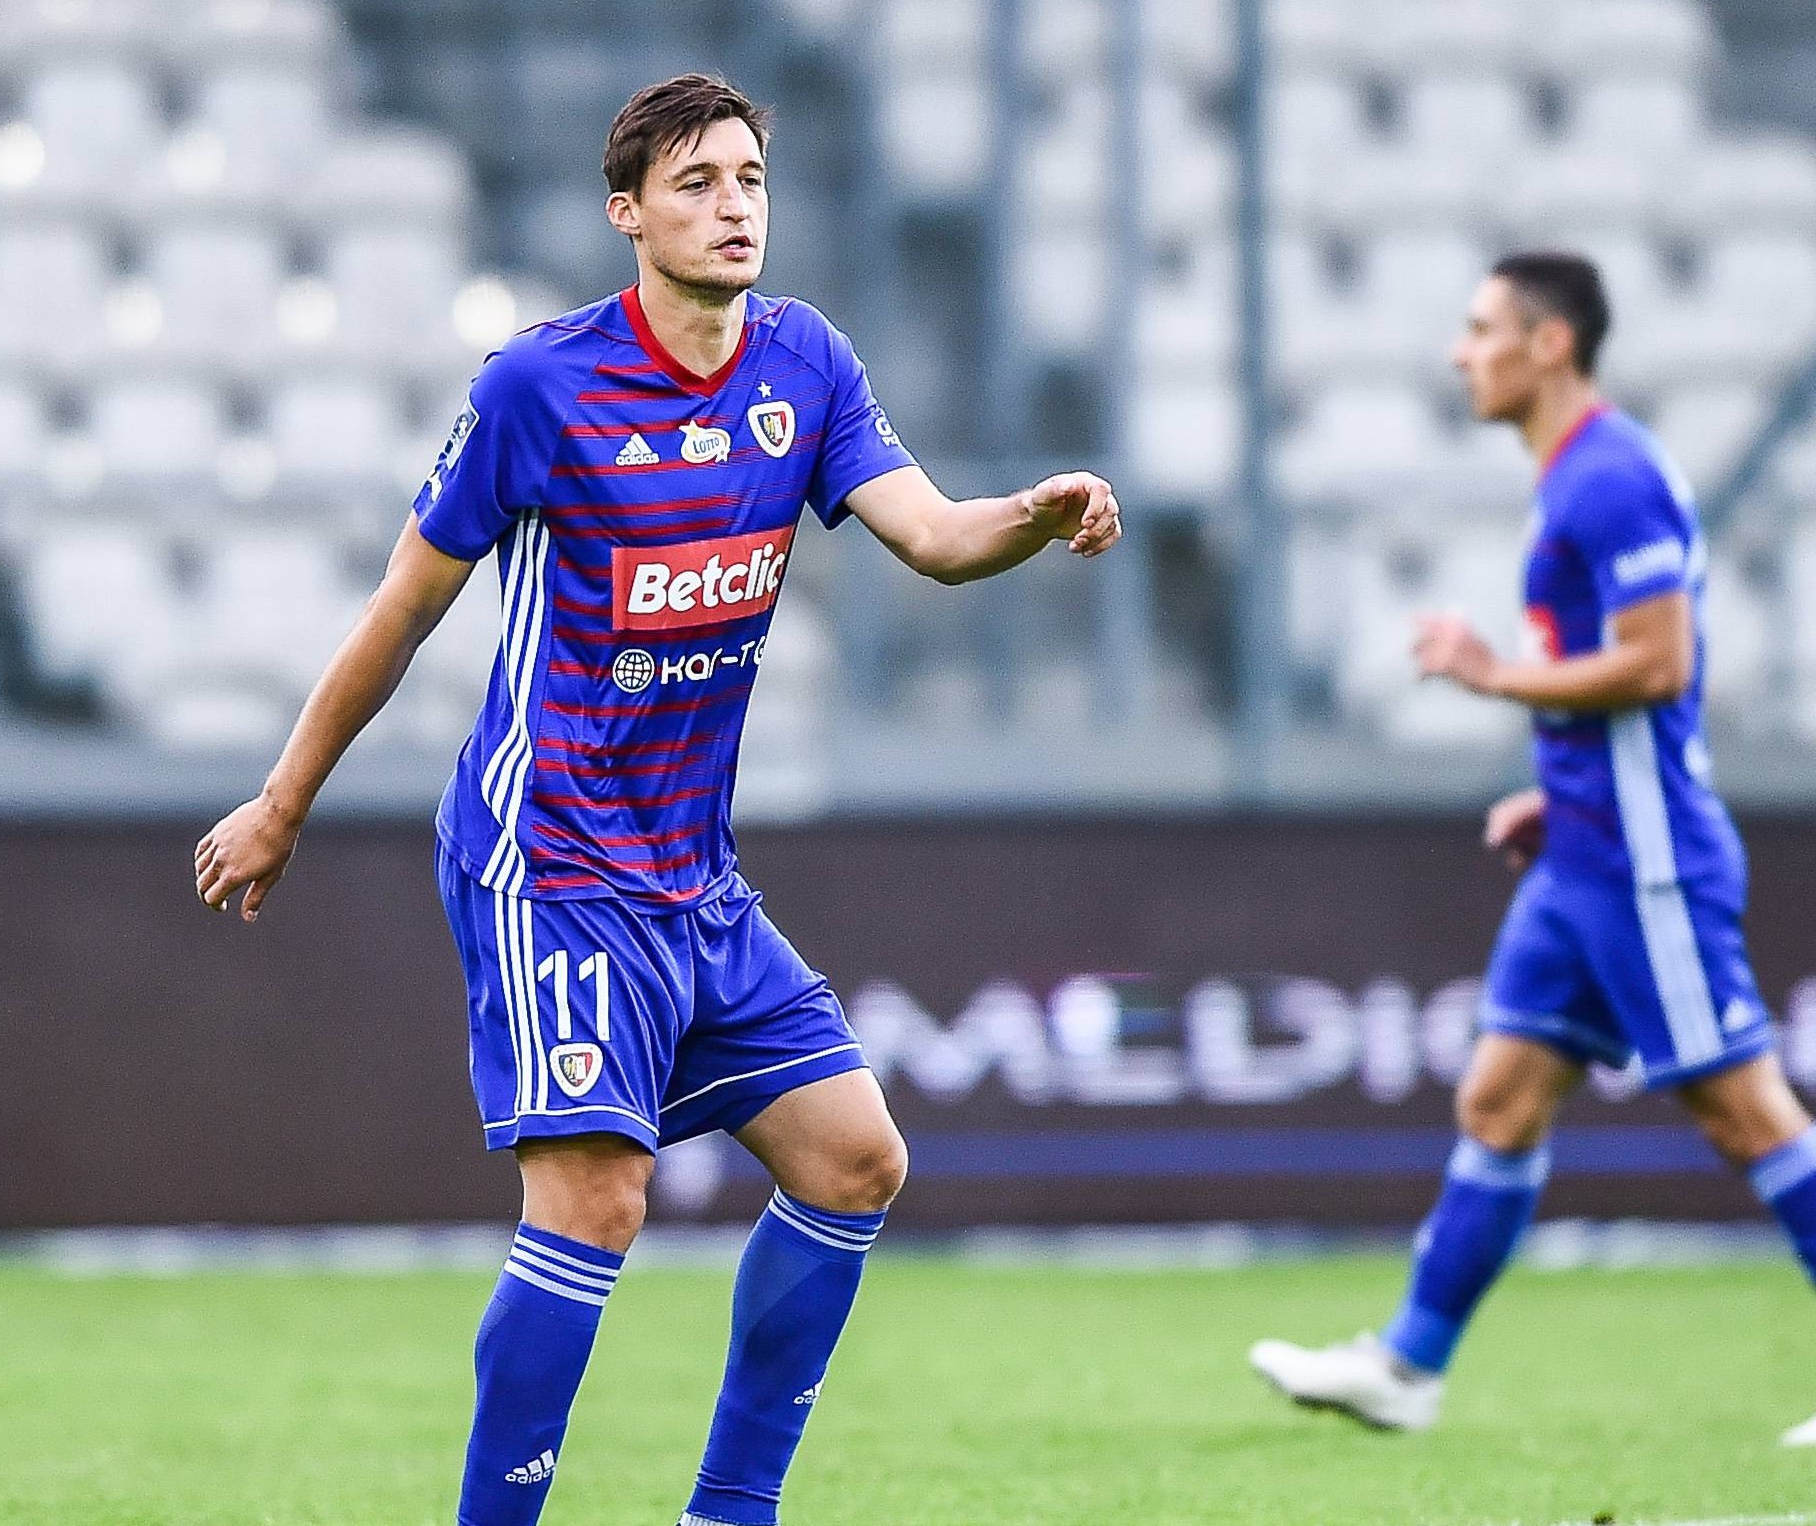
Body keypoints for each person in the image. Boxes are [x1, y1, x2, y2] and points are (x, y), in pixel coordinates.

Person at [193, 73, 1121, 1526]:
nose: (734, 205)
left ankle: (727, 1513)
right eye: (696, 183)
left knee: (855, 1158)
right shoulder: (538, 387)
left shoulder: (804, 361)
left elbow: (938, 538)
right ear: (625, 214)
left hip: (692, 870)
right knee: (596, 1199)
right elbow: (403, 607)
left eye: (750, 178)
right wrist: (281, 800)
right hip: (547, 854)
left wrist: (1032, 513)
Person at [1247, 251, 1816, 1446]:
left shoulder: (1610, 478)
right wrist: (1555, 788)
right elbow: (1622, 682)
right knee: (1499, 1095)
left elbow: (1659, 663)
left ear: (1550, 343)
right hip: (1580, 848)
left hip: (1642, 860)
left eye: (1482, 328)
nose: (1460, 353)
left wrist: (1492, 675)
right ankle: (1407, 1365)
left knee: (1741, 1109)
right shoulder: (1577, 474)